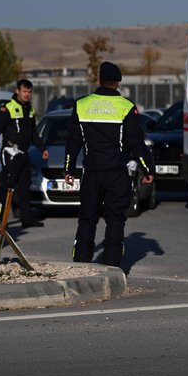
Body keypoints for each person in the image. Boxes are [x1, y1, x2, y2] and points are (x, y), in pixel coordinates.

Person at [64, 61, 155, 269]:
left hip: (91, 173)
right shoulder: (126, 107)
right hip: (117, 173)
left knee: (87, 219)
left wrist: (68, 169)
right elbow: (136, 142)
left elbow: (73, 141)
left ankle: (81, 265)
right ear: (118, 83)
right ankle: (112, 267)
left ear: (99, 80)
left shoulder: (81, 105)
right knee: (115, 219)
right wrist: (147, 169)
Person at [0, 79, 49, 228]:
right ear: (17, 91)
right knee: (7, 186)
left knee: (25, 186)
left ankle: (27, 218)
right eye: (24, 91)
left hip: (23, 153)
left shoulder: (30, 109)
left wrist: (42, 148)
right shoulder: (7, 108)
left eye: (29, 92)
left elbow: (33, 133)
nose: (27, 94)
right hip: (10, 153)